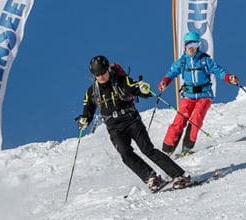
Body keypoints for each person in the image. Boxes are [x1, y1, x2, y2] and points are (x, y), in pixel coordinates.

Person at [77, 55, 190, 191]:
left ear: (108, 69)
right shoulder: (92, 91)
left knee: (147, 149)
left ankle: (179, 175)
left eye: (102, 72)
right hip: (114, 127)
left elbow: (135, 88)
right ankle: (151, 178)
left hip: (131, 120)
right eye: (97, 74)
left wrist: (143, 90)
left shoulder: (120, 81)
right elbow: (87, 109)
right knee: (125, 154)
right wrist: (84, 120)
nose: (101, 76)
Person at [158, 31, 240, 156]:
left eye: (195, 44)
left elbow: (219, 71)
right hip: (188, 96)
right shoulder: (182, 62)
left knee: (196, 119)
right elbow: (171, 73)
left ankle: (187, 148)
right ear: (185, 46)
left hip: (204, 95)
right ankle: (167, 149)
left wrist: (229, 77)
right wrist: (165, 82)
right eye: (189, 44)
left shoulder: (205, 60)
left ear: (199, 46)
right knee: (179, 120)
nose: (191, 48)